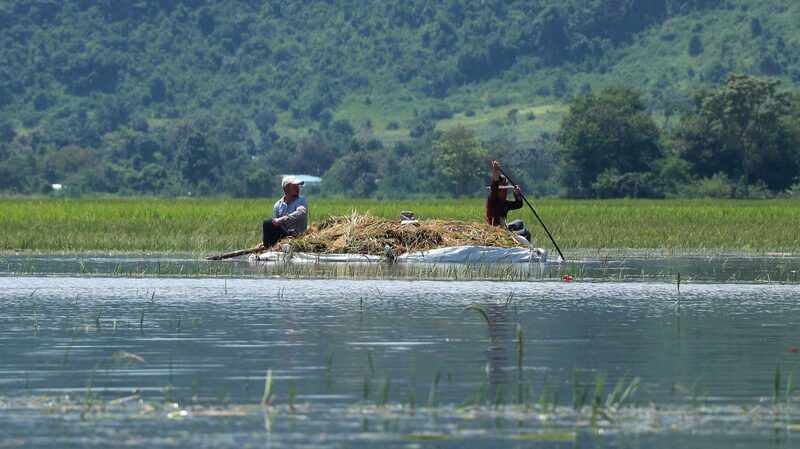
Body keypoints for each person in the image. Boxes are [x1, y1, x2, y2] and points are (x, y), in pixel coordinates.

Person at [486, 160, 532, 244]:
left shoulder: (504, 203)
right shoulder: (492, 200)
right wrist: (496, 172)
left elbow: (518, 205)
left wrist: (517, 194)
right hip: (497, 233)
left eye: (506, 190)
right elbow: (494, 188)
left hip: (504, 228)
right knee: (526, 233)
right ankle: (525, 251)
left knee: (519, 222)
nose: (506, 192)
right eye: (504, 190)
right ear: (499, 191)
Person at [259, 175, 309, 250]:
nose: (297, 188)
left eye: (298, 186)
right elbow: (275, 225)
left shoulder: (301, 200)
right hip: (284, 235)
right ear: (286, 188)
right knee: (267, 223)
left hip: (296, 235)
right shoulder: (278, 205)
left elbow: (301, 212)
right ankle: (267, 245)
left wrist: (282, 219)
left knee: (268, 222)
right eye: (294, 186)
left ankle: (268, 246)